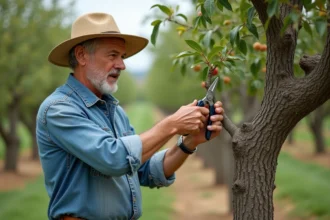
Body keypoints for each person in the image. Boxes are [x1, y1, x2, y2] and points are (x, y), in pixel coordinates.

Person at [36, 12, 224, 220]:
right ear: (81, 56)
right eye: (112, 55)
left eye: (122, 57)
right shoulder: (59, 109)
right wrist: (172, 124)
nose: (122, 65)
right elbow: (113, 158)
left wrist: (189, 142)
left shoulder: (114, 111)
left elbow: (146, 171)